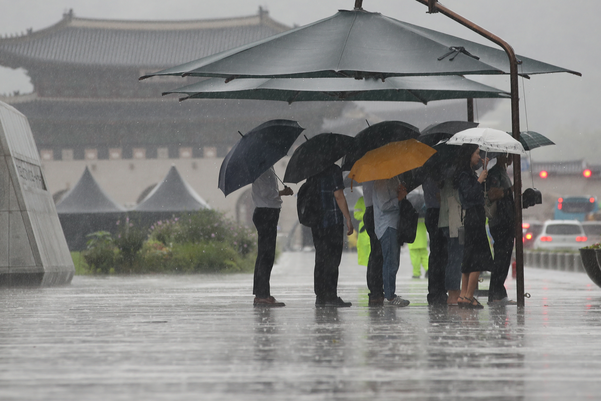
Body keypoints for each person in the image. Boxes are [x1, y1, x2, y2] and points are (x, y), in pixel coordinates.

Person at [453, 144, 494, 309]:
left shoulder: (467, 172)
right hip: (473, 218)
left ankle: (464, 295)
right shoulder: (464, 175)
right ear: (469, 155)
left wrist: (484, 166)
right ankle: (469, 295)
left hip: (474, 217)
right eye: (477, 153)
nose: (479, 156)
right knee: (476, 257)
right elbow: (469, 194)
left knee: (469, 256)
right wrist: (480, 179)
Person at [309, 164, 354, 307]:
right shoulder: (333, 169)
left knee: (320, 258)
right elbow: (338, 195)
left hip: (316, 222)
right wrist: (348, 217)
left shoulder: (312, 170)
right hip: (332, 222)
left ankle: (320, 296)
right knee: (333, 260)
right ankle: (331, 296)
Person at [251, 167, 294, 307]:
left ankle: (261, 294)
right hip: (266, 213)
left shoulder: (268, 167)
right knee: (266, 255)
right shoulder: (262, 169)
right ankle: (262, 295)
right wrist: (283, 192)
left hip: (268, 212)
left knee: (265, 254)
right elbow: (266, 193)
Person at [373, 178, 410, 307]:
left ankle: (390, 293)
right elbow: (384, 205)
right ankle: (390, 296)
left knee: (393, 261)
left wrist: (400, 191)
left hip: (394, 225)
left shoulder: (394, 179)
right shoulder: (381, 181)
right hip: (387, 226)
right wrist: (399, 198)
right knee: (390, 262)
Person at [486, 153, 518, 305]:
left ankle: (498, 292)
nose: (512, 158)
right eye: (510, 155)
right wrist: (510, 190)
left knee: (504, 258)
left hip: (507, 221)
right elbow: (492, 194)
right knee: (501, 257)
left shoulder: (503, 172)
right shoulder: (495, 173)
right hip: (500, 222)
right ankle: (496, 294)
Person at [438, 166, 463, 306]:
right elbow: (462, 197)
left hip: (446, 220)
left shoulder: (445, 174)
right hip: (455, 221)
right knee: (455, 258)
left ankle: (453, 293)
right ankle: (453, 294)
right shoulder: (457, 174)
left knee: (453, 257)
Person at [423, 175, 448, 305]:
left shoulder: (426, 177)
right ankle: (437, 290)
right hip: (437, 214)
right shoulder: (431, 179)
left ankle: (436, 290)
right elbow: (440, 197)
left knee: (436, 254)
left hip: (432, 213)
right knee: (439, 255)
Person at [362, 181, 385, 306]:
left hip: (370, 211)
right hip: (375, 211)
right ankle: (376, 290)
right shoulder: (375, 176)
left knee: (375, 252)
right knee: (378, 253)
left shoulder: (367, 175)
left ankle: (375, 290)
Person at [353, 196, 371, 267]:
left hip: (376, 228)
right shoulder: (361, 200)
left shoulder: (380, 197)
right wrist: (366, 216)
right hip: (365, 230)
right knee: (367, 255)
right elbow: (356, 214)